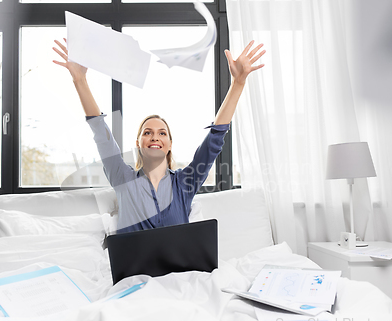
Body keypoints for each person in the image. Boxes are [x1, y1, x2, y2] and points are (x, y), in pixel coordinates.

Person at [53, 38, 265, 233]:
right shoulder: (122, 178)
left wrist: (238, 83)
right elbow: (100, 130)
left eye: (162, 133)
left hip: (178, 272)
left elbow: (215, 139)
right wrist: (79, 79)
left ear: (169, 144)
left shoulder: (185, 182)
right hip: (134, 273)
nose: (155, 137)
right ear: (138, 143)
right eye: (148, 132)